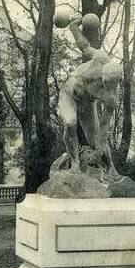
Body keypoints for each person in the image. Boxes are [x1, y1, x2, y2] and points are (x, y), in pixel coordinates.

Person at [56, 14, 123, 178]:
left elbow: (104, 127)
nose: (105, 86)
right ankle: (75, 163)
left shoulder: (111, 97)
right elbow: (85, 47)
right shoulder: (101, 58)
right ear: (103, 72)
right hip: (69, 94)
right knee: (70, 122)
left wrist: (98, 152)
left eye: (110, 85)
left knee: (95, 141)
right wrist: (74, 28)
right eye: (104, 81)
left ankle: (111, 168)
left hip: (87, 105)